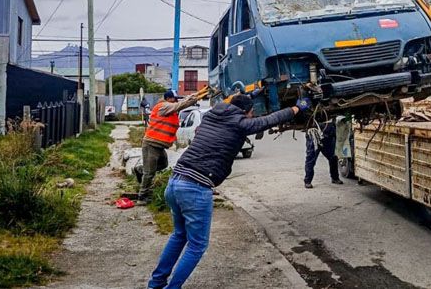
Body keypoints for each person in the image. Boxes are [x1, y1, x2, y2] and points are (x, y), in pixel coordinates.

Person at [148, 94, 310, 289]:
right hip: (195, 188)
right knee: (197, 246)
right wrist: (296, 108)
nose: (252, 116)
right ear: (245, 112)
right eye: (251, 113)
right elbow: (268, 121)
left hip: (175, 182)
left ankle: (155, 283)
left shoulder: (211, 115)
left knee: (179, 235)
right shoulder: (240, 122)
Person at [136, 88, 208, 205]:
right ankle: (142, 197)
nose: (176, 101)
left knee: (163, 164)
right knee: (149, 173)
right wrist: (196, 99)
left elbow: (183, 101)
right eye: (174, 99)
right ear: (168, 99)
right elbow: (181, 105)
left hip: (159, 145)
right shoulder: (163, 106)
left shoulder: (169, 107)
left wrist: (199, 94)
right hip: (151, 143)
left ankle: (140, 170)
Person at [304, 121, 342, 189]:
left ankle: (335, 178)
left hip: (328, 133)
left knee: (333, 157)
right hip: (314, 133)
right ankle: (308, 181)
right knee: (311, 159)